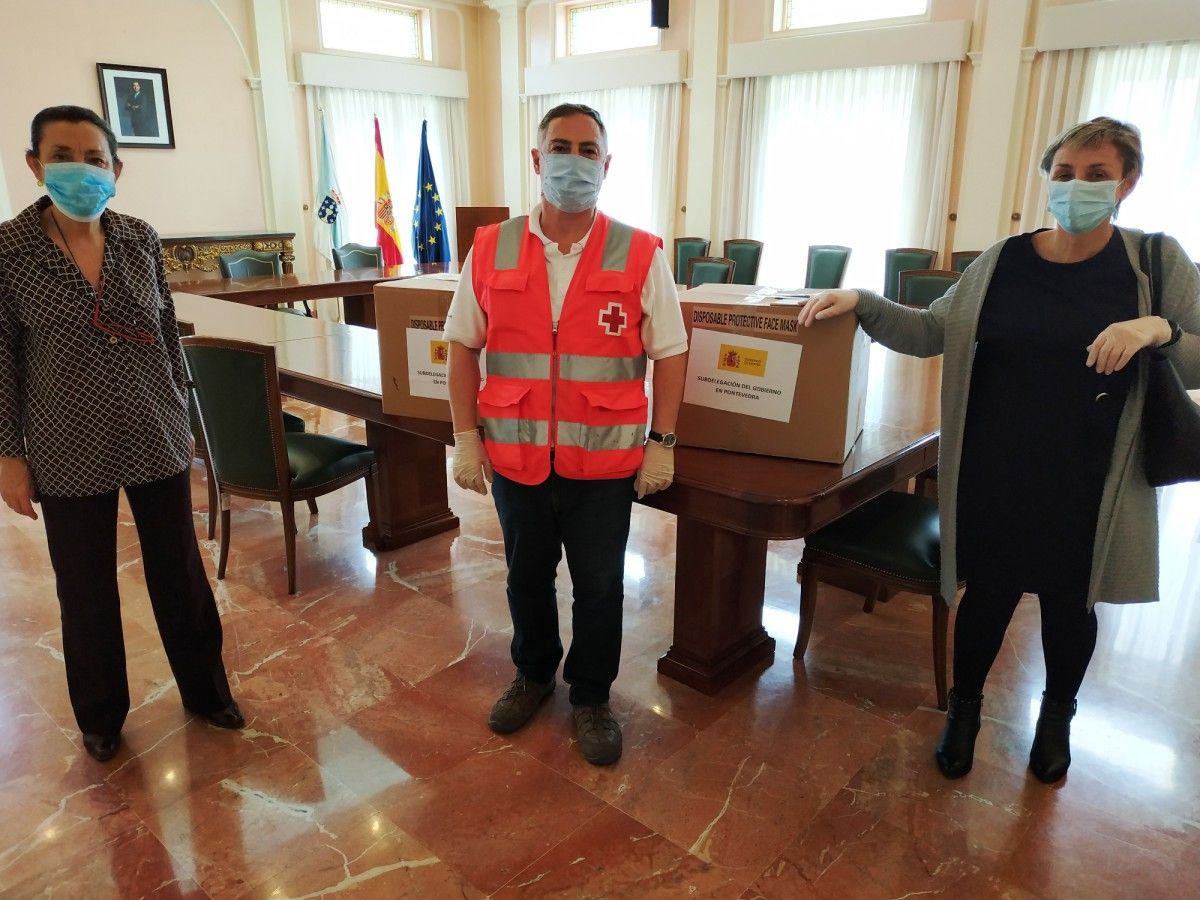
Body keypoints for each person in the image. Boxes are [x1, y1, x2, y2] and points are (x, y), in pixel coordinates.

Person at [801, 117, 1200, 783]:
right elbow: (930, 330)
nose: (1078, 186)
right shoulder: (1003, 261)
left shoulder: (1155, 261)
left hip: (1090, 478)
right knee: (987, 600)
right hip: (997, 471)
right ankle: (964, 711)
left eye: (1097, 175)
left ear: (1127, 183)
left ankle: (1056, 717)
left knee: (1071, 609)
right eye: (1065, 173)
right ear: (1047, 179)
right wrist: (861, 302)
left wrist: (1156, 326)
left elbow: (1196, 357)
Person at [445, 103, 688, 766]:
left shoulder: (641, 253)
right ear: (536, 158)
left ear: (605, 166)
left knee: (600, 585)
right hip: (517, 455)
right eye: (560, 146)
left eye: (587, 150)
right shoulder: (491, 247)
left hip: (605, 462)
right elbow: (462, 345)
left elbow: (671, 350)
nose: (572, 161)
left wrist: (661, 442)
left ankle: (590, 697)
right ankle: (531, 675)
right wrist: (466, 436)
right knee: (526, 579)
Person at [0, 105, 243, 762]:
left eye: (95, 158)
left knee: (180, 574)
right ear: (35, 165)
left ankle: (206, 690)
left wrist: (185, 418)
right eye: (63, 156)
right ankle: (101, 715)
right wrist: (7, 456)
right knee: (84, 587)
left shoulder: (139, 238)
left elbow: (166, 336)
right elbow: (2, 360)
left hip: (152, 428)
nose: (81, 169)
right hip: (65, 439)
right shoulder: (9, 251)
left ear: (116, 169)